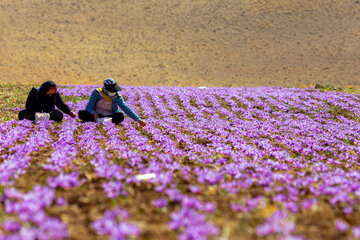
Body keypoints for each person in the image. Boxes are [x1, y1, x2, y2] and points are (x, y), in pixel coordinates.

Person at [78, 78, 146, 126]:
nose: (113, 92)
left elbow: (125, 108)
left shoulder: (117, 96)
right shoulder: (97, 93)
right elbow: (89, 107)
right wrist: (94, 113)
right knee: (82, 113)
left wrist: (138, 120)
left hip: (109, 115)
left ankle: (101, 121)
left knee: (120, 116)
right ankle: (100, 121)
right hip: (96, 115)